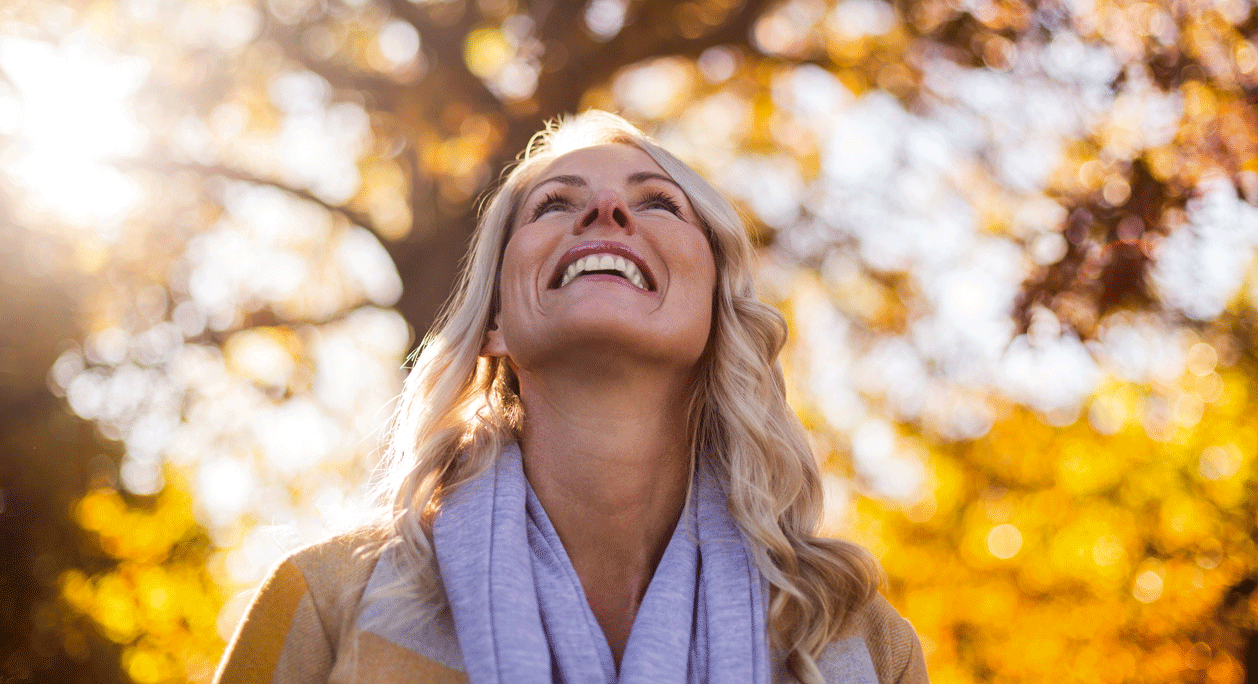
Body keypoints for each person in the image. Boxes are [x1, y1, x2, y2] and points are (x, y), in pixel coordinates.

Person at [214, 111, 928, 684]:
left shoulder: (857, 641)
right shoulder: (327, 600)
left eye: (659, 203)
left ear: (717, 313)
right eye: (555, 204)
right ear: (493, 320)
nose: (609, 211)